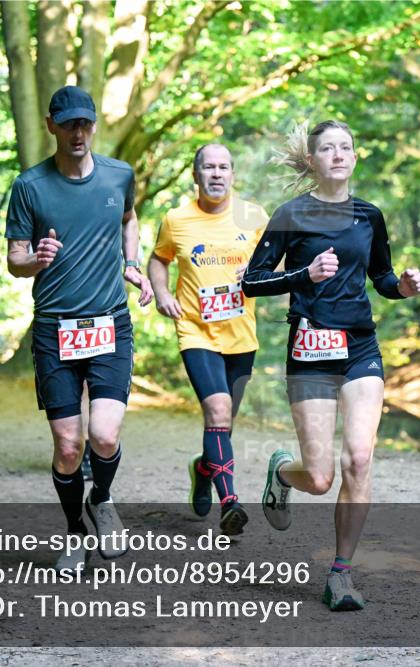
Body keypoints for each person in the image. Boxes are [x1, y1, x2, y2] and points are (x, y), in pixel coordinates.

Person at [242, 121, 420, 611]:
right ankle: (283, 473)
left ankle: (341, 573)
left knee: (359, 460)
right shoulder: (291, 214)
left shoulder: (370, 215)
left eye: (346, 146)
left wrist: (402, 287)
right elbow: (251, 282)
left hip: (360, 348)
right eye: (328, 148)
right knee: (321, 477)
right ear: (314, 159)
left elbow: (381, 277)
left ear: (354, 156)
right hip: (309, 352)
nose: (338, 155)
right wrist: (303, 274)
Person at [5, 85, 153, 572]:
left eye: (85, 123)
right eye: (68, 124)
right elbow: (14, 260)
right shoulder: (30, 186)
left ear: (94, 125)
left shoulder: (118, 175)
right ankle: (73, 530)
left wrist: (131, 263)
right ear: (51, 125)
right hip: (55, 330)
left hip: (110, 321)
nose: (78, 132)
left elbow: (130, 218)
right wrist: (35, 259)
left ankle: (102, 501)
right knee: (69, 447)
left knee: (104, 437)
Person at [147, 143, 268, 536]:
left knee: (224, 425)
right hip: (196, 330)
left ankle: (203, 470)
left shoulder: (253, 217)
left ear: (233, 174)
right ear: (195, 175)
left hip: (241, 335)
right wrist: (163, 294)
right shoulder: (176, 219)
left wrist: (256, 271)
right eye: (208, 167)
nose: (216, 174)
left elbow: (278, 263)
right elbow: (159, 258)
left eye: (224, 167)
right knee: (217, 410)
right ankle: (230, 502)